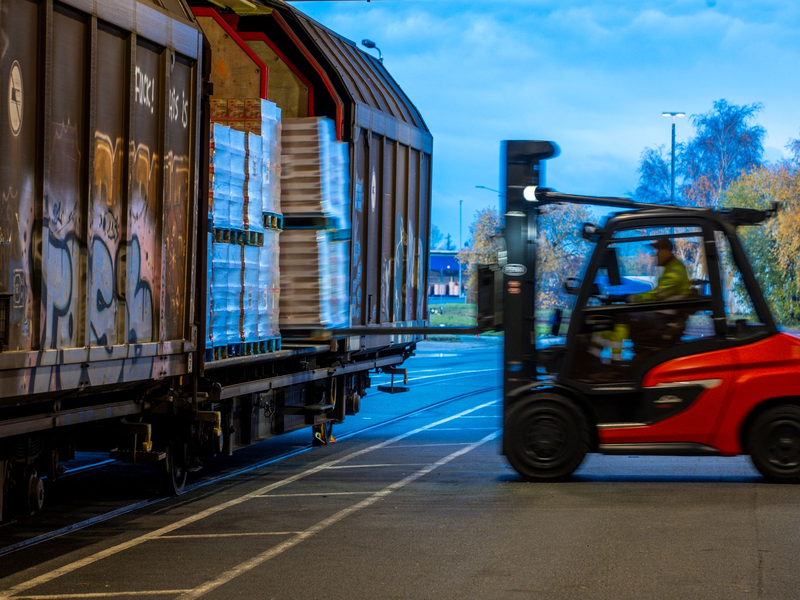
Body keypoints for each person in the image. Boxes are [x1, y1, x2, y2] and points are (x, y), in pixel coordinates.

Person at [588, 238, 691, 366]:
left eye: (658, 251)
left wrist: (629, 298)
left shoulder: (675, 272)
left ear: (666, 252)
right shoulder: (673, 268)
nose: (655, 255)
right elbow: (657, 296)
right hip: (661, 313)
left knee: (621, 316)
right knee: (616, 314)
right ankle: (595, 356)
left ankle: (615, 362)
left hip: (662, 317)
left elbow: (656, 295)